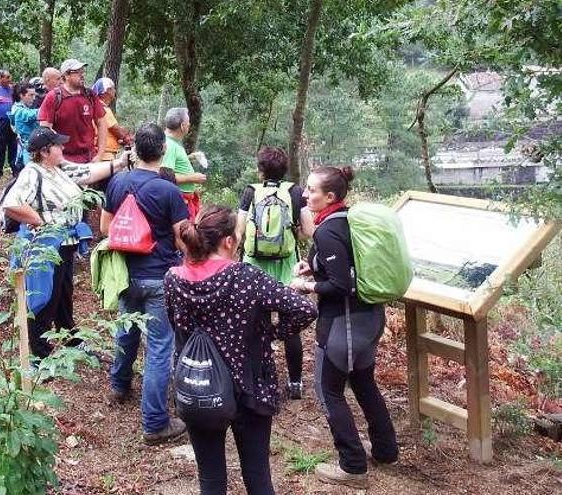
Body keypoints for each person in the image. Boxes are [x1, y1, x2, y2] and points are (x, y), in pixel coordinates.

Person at [166, 205, 317, 495]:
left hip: (200, 385)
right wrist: (270, 334)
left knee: (210, 478)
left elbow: (177, 325)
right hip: (250, 386)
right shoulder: (246, 277)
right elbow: (303, 308)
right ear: (229, 241)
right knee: (257, 476)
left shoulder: (174, 278)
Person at [289, 166, 399, 488]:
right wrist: (312, 268)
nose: (306, 195)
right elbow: (349, 265)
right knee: (364, 383)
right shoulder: (348, 221)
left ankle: (352, 466)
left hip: (344, 324)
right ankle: (385, 450)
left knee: (328, 392)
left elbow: (340, 285)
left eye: (311, 190)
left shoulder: (327, 230)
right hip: (368, 320)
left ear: (330, 197)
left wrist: (305, 287)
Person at [1, 127, 130, 360]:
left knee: (63, 293)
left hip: (66, 243)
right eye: (57, 145)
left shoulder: (58, 168)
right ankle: (40, 353)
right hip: (47, 246)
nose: (62, 147)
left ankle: (69, 337)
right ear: (44, 151)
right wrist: (39, 221)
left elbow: (87, 173)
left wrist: (119, 164)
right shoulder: (33, 172)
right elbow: (12, 203)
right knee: (45, 296)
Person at [101, 123, 190, 445]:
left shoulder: (117, 182)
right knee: (158, 348)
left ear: (135, 150)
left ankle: (119, 385)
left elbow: (105, 227)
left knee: (126, 332)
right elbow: (183, 239)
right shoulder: (168, 190)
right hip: (159, 276)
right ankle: (155, 423)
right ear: (163, 152)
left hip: (126, 274)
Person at [235, 146, 313, 399]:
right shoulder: (295, 191)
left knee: (257, 322)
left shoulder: (250, 192)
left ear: (260, 171)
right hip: (286, 264)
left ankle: (259, 378)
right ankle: (295, 383)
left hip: (254, 266)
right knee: (289, 323)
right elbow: (308, 230)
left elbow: (238, 230)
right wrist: (291, 235)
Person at [38, 59, 107, 164]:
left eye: (83, 71)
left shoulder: (90, 95)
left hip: (89, 158)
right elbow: (45, 129)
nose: (82, 75)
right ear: (66, 75)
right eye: (77, 72)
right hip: (63, 159)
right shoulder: (54, 97)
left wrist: (100, 154)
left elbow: (102, 123)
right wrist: (55, 157)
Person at [162, 107, 206, 220]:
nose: (189, 125)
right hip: (180, 201)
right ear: (182, 126)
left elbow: (172, 164)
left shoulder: (174, 142)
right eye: (188, 123)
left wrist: (189, 158)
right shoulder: (170, 145)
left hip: (185, 200)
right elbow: (165, 176)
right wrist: (192, 178)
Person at [92, 77, 132, 161]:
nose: (114, 90)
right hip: (105, 154)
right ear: (106, 91)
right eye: (112, 88)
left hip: (98, 152)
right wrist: (126, 138)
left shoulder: (94, 106)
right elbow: (116, 129)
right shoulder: (103, 109)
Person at [10, 82, 40, 172]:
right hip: (28, 149)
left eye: (34, 95)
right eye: (31, 95)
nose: (34, 98)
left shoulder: (22, 108)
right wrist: (48, 107)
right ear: (21, 95)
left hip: (29, 148)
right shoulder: (18, 110)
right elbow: (30, 115)